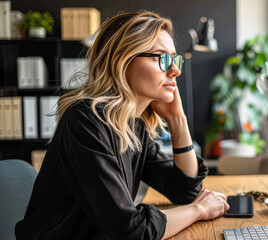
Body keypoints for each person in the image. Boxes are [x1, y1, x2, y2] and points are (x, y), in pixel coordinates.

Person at [15, 11, 229, 240]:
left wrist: (178, 120)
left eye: (175, 59)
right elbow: (131, 231)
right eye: (162, 58)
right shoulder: (85, 122)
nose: (175, 70)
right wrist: (200, 210)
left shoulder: (132, 125)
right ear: (122, 60)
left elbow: (185, 191)